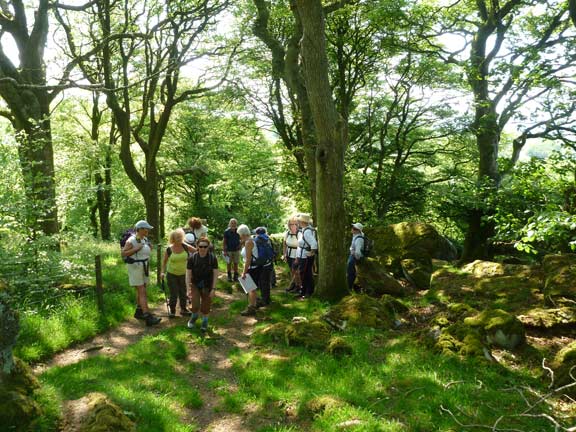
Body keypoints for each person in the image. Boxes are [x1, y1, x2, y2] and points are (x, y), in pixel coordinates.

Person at [122, 220, 161, 326]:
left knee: (142, 289)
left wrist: (149, 247)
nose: (147, 230)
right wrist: (135, 249)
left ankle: (139, 311)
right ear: (140, 229)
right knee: (142, 291)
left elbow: (143, 250)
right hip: (135, 268)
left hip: (143, 267)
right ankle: (147, 316)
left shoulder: (144, 239)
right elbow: (123, 253)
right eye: (146, 229)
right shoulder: (131, 240)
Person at [237, 224, 272, 316]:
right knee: (251, 288)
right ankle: (254, 304)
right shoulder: (251, 239)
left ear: (242, 234)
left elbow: (248, 259)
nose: (239, 236)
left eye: (239, 234)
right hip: (253, 267)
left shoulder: (249, 242)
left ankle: (251, 308)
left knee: (251, 289)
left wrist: (244, 272)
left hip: (252, 268)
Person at [161, 228, 195, 317]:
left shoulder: (185, 246)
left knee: (183, 292)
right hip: (171, 274)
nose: (179, 239)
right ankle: (172, 310)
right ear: (173, 238)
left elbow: (197, 251)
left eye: (180, 237)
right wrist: (162, 272)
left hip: (184, 274)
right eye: (177, 237)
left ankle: (183, 309)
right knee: (174, 293)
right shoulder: (169, 249)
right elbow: (164, 262)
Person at [186, 238, 218, 332]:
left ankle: (205, 321)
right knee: (195, 305)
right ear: (197, 247)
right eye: (200, 246)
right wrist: (188, 288)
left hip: (208, 285)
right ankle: (194, 317)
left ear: (208, 247)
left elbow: (216, 273)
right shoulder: (192, 258)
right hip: (195, 284)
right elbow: (188, 273)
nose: (203, 248)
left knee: (206, 305)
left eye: (205, 246)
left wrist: (214, 288)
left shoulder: (212, 258)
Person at [295, 213, 318, 299]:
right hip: (304, 255)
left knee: (305, 274)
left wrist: (311, 252)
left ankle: (307, 292)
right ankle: (304, 291)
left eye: (299, 221)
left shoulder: (307, 231)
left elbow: (314, 243)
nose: (298, 222)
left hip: (306, 256)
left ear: (302, 222)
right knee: (305, 273)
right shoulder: (306, 230)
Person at [283, 216, 301, 293]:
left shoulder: (300, 233)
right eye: (291, 224)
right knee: (292, 271)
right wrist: (284, 254)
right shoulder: (287, 233)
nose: (293, 226)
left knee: (297, 272)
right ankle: (294, 285)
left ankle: (298, 287)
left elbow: (301, 246)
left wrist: (297, 257)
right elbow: (284, 244)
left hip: (297, 254)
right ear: (289, 225)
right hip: (289, 255)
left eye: (295, 224)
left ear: (297, 225)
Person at [348, 222, 365, 291]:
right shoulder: (355, 236)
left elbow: (358, 253)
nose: (352, 229)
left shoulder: (359, 239)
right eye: (353, 228)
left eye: (354, 228)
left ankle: (349, 287)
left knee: (351, 273)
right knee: (350, 272)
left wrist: (353, 255)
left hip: (354, 257)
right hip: (353, 256)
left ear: (358, 231)